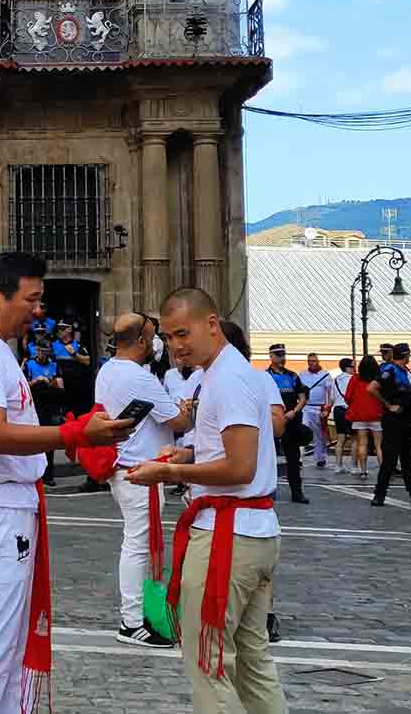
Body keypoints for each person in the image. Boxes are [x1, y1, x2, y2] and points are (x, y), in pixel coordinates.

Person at [0, 253, 133, 714]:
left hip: (7, 502)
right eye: (32, 299)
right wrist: (73, 434)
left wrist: (79, 429)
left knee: (7, 638)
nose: (39, 309)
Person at [127, 288, 285, 714]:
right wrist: (190, 454)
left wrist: (171, 472)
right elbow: (240, 451)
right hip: (254, 534)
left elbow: (240, 468)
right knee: (253, 662)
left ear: (212, 324)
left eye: (184, 332)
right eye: (169, 336)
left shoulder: (227, 380)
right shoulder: (234, 373)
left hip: (227, 539)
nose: (177, 345)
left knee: (208, 661)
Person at [92, 311, 192, 648]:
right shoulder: (141, 379)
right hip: (139, 473)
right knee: (136, 546)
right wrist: (187, 408)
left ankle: (142, 614)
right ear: (139, 342)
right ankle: (132, 621)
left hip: (124, 470)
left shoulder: (107, 370)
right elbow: (177, 421)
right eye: (152, 337)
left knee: (141, 546)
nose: (157, 344)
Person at [369, 343, 411, 509]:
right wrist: (388, 405)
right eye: (409, 355)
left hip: (407, 421)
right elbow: (371, 388)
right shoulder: (390, 371)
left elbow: (407, 392)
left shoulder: (405, 372)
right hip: (393, 421)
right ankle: (379, 495)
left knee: (408, 461)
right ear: (405, 355)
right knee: (390, 460)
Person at [264, 345, 309, 505]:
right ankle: (267, 491)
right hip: (272, 422)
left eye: (283, 355)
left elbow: (302, 397)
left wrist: (294, 412)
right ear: (271, 356)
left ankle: (297, 492)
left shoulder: (293, 376)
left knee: (294, 458)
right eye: (278, 355)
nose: (282, 358)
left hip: (291, 421)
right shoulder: (265, 376)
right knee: (267, 458)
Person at [24, 341, 63, 486]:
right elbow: (23, 385)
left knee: (49, 441)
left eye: (45, 352)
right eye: (40, 351)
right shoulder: (29, 365)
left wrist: (49, 381)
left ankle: (48, 475)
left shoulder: (54, 365)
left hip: (50, 406)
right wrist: (35, 381)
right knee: (34, 441)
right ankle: (34, 474)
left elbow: (61, 386)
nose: (42, 355)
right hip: (34, 407)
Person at [344, 356, 382, 481]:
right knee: (379, 445)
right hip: (376, 414)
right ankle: (384, 471)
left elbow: (348, 396)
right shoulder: (378, 379)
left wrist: (355, 405)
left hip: (359, 414)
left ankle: (363, 471)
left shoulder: (355, 378)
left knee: (362, 443)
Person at [298, 353, 330, 469]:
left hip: (319, 407)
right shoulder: (302, 374)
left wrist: (327, 408)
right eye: (309, 361)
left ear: (318, 361)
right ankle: (299, 458)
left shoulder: (325, 375)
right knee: (301, 430)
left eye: (314, 361)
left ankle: (320, 457)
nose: (311, 363)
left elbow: (330, 393)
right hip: (305, 407)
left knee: (319, 434)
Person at [328, 357, 355, 473]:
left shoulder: (336, 379)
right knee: (355, 438)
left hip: (338, 410)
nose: (354, 368)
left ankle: (338, 465)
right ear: (347, 367)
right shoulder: (354, 379)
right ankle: (354, 467)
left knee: (340, 438)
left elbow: (332, 398)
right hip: (350, 409)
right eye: (353, 366)